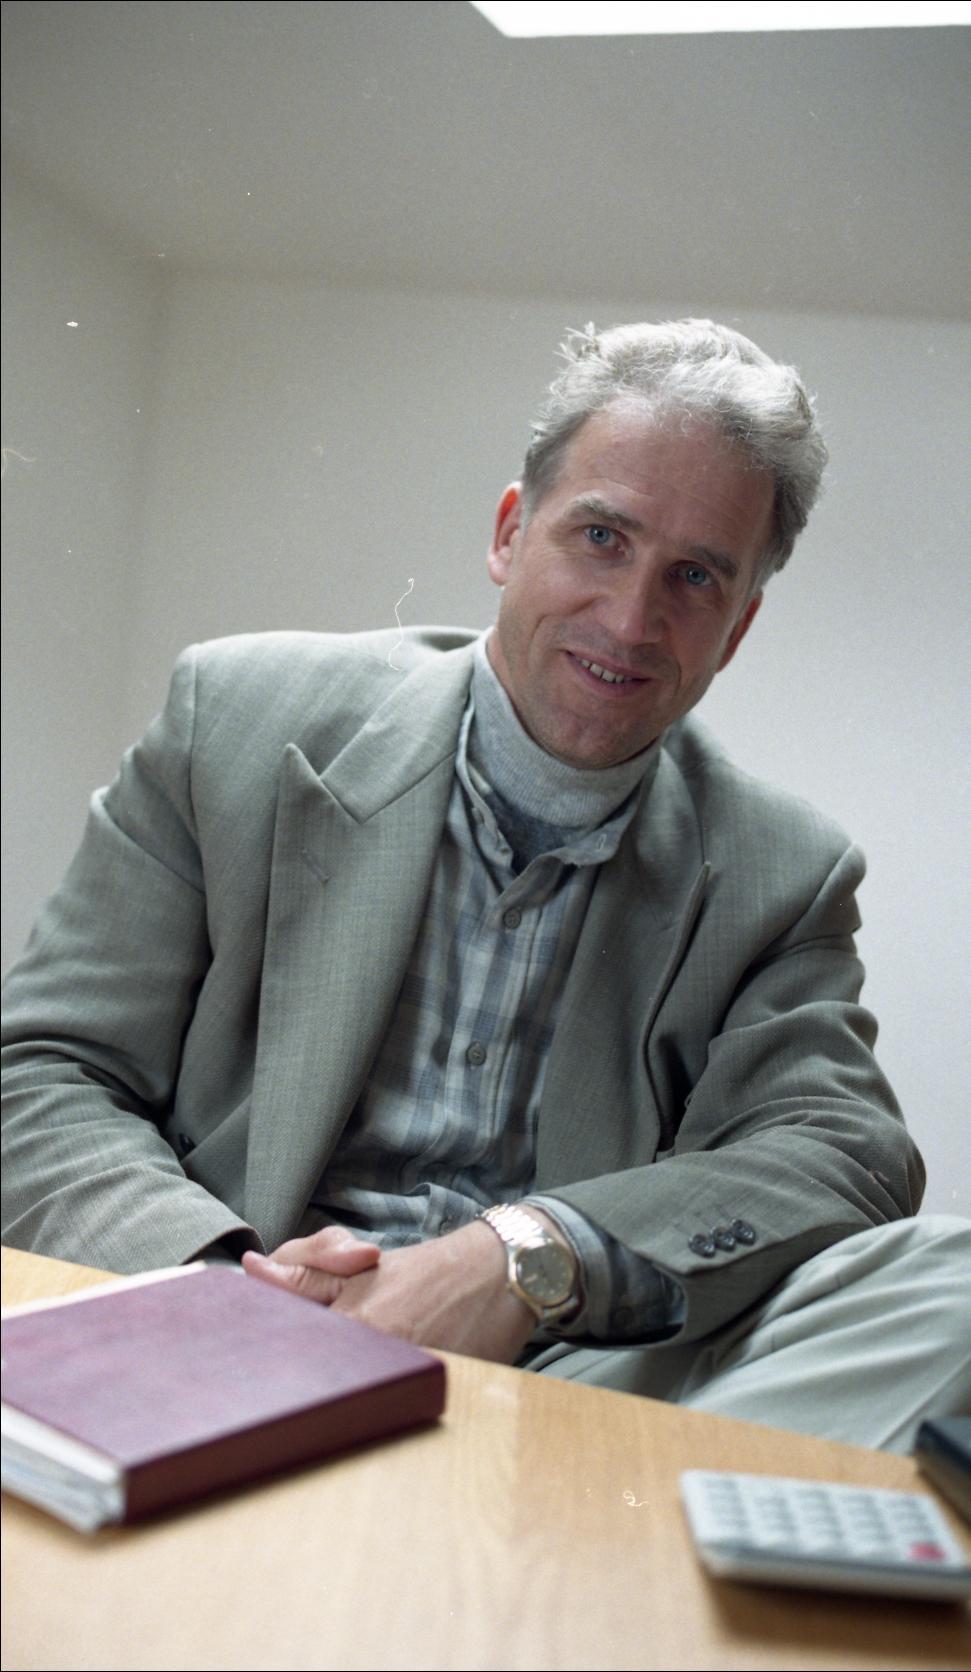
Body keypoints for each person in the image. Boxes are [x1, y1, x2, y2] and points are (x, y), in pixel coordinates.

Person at [2, 320, 968, 1451]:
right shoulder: (237, 716)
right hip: (233, 1302)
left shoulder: (782, 868)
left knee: (950, 1283)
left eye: (695, 577)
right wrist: (227, 1294)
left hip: (565, 1362)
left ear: (737, 625)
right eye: (600, 537)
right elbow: (42, 1069)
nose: (631, 620)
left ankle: (546, 1490)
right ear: (511, 533)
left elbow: (843, 1153)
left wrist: (525, 1257)